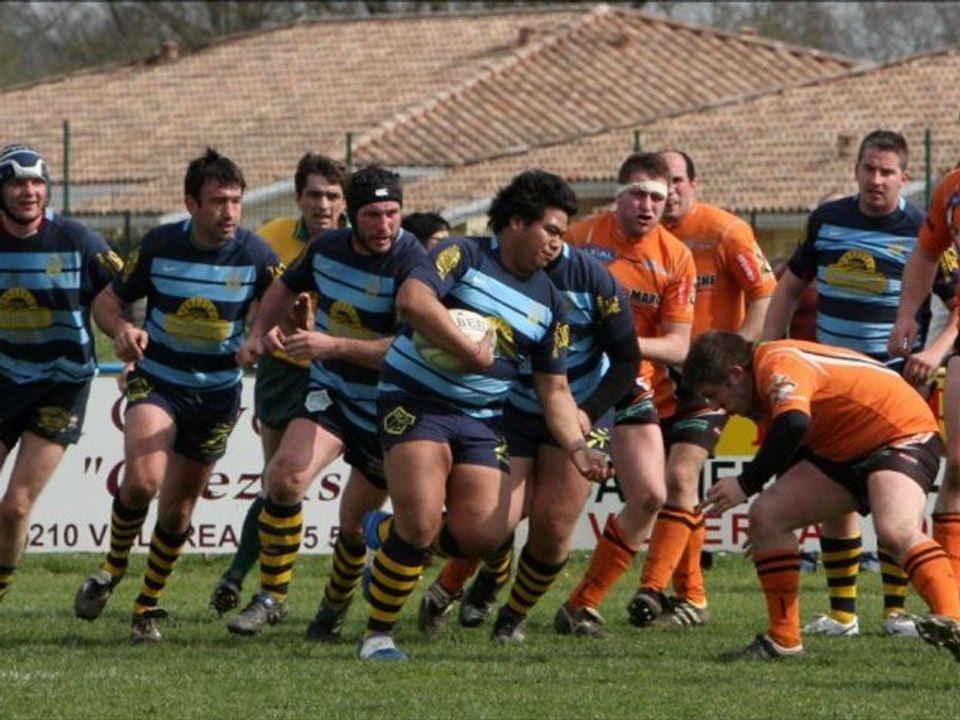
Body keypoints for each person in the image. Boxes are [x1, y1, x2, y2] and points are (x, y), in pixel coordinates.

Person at [358, 169, 611, 660]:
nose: (559, 244)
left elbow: (555, 388)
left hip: (480, 417)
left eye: (563, 234)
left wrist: (578, 447)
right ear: (517, 221)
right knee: (421, 523)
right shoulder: (462, 254)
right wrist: (466, 348)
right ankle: (377, 636)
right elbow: (413, 301)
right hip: (415, 399)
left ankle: (385, 536)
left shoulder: (551, 305)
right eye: (552, 231)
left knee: (482, 534)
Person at [73, 148, 282, 642]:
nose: (229, 212)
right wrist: (122, 329)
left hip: (216, 394)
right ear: (191, 203)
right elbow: (107, 302)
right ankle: (110, 569)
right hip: (159, 378)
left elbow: (285, 318)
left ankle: (147, 606)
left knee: (178, 510)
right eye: (217, 201)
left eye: (236, 201)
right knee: (143, 482)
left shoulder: (257, 256)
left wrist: (267, 337)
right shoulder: (160, 244)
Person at [761, 129, 959, 638]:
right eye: (869, 168)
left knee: (896, 501)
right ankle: (844, 613)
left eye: (887, 171)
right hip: (828, 383)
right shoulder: (828, 221)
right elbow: (789, 287)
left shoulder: (923, 227)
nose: (876, 179)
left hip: (895, 384)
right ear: (856, 170)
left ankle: (897, 612)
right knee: (836, 494)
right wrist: (770, 345)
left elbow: (954, 300)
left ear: (904, 178)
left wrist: (929, 351)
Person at [225, 165, 427, 638]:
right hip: (332, 392)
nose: (385, 225)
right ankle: (271, 596)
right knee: (285, 477)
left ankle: (332, 609)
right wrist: (258, 333)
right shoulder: (326, 250)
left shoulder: (412, 262)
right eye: (373, 215)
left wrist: (332, 345)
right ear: (351, 217)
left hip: (388, 406)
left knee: (354, 527)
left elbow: (408, 349)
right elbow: (285, 287)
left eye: (392, 213)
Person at [689, 330, 960, 661]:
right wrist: (766, 536)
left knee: (895, 530)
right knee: (768, 517)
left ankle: (952, 619)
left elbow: (793, 424)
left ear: (735, 374)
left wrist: (746, 483)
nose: (719, 408)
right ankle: (783, 640)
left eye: (714, 396)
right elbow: (792, 444)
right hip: (843, 450)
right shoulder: (765, 376)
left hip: (902, 433)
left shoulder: (776, 363)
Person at [417, 240, 638, 642]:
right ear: (519, 226)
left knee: (553, 527)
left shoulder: (596, 282)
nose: (549, 239)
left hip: (580, 405)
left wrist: (587, 412)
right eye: (542, 228)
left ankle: (512, 616)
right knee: (488, 523)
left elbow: (627, 361)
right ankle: (442, 581)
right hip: (511, 408)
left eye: (558, 228)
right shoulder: (488, 268)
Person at [627, 149, 776, 628]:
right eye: (658, 184)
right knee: (675, 485)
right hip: (661, 377)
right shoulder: (645, 236)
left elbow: (765, 295)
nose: (667, 193)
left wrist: (737, 358)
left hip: (712, 379)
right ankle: (690, 595)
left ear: (694, 184)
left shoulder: (725, 231)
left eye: (675, 181)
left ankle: (665, 591)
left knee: (679, 475)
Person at [553, 152, 696, 637]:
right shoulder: (578, 240)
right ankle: (457, 585)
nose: (648, 205)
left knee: (652, 494)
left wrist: (618, 341)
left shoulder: (676, 256)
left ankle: (581, 604)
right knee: (534, 508)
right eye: (638, 194)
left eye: (658, 196)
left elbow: (677, 346)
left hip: (632, 383)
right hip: (569, 380)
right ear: (618, 196)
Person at [209, 153, 347, 615]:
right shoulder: (272, 239)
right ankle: (253, 582)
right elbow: (254, 304)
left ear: (344, 201)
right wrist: (259, 330)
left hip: (345, 377)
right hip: (284, 374)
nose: (322, 204)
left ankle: (254, 581)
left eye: (331, 195)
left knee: (311, 481)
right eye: (313, 194)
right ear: (298, 197)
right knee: (278, 482)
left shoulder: (362, 244)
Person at [0, 144, 121, 605]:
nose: (28, 191)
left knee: (14, 507)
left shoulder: (78, 241)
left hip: (61, 383)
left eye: (36, 182)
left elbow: (122, 294)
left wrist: (130, 338)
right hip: (3, 379)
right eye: (16, 183)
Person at [890, 165, 960, 590]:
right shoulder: (950, 187)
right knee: (958, 469)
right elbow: (925, 252)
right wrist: (905, 315)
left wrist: (939, 347)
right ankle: (952, 600)